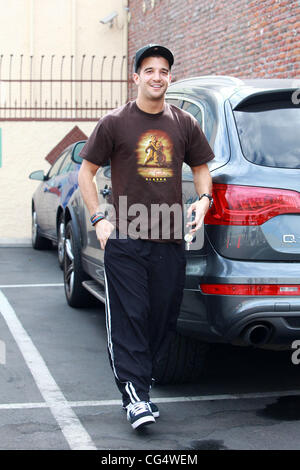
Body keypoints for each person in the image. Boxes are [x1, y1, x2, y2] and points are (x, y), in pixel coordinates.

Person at [77, 44, 215, 430]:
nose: (157, 76)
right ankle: (135, 396)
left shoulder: (183, 122)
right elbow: (85, 173)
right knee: (130, 316)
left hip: (169, 239)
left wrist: (204, 201)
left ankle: (141, 384)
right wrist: (99, 218)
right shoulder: (115, 122)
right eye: (149, 70)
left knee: (162, 319)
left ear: (170, 77)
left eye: (164, 71)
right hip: (124, 240)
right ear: (136, 77)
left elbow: (203, 168)